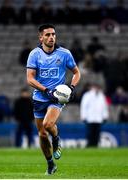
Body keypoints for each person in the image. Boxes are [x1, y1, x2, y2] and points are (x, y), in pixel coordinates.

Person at [26, 24, 80, 175]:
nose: (51, 37)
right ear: (41, 37)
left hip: (57, 97)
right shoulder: (34, 54)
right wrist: (45, 90)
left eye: (53, 34)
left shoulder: (64, 53)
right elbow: (29, 78)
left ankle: (56, 138)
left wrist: (72, 87)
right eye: (48, 35)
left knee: (48, 124)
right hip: (40, 97)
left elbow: (77, 73)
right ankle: (50, 164)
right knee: (42, 134)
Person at [80, 83, 109, 147]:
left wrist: (105, 116)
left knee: (97, 133)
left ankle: (95, 145)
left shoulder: (102, 96)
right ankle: (89, 144)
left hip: (98, 118)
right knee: (90, 133)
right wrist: (83, 116)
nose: (96, 89)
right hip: (90, 118)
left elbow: (104, 107)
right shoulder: (87, 95)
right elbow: (83, 106)